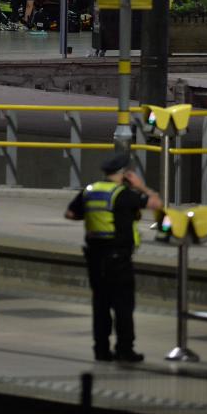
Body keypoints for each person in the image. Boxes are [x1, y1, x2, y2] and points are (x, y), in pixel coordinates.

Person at [65, 153, 162, 362]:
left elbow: (70, 214)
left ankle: (101, 349)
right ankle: (124, 349)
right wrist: (141, 186)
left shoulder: (90, 190)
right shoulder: (124, 194)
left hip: (94, 258)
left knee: (100, 304)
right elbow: (156, 203)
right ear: (124, 174)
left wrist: (94, 217)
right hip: (118, 259)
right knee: (123, 305)